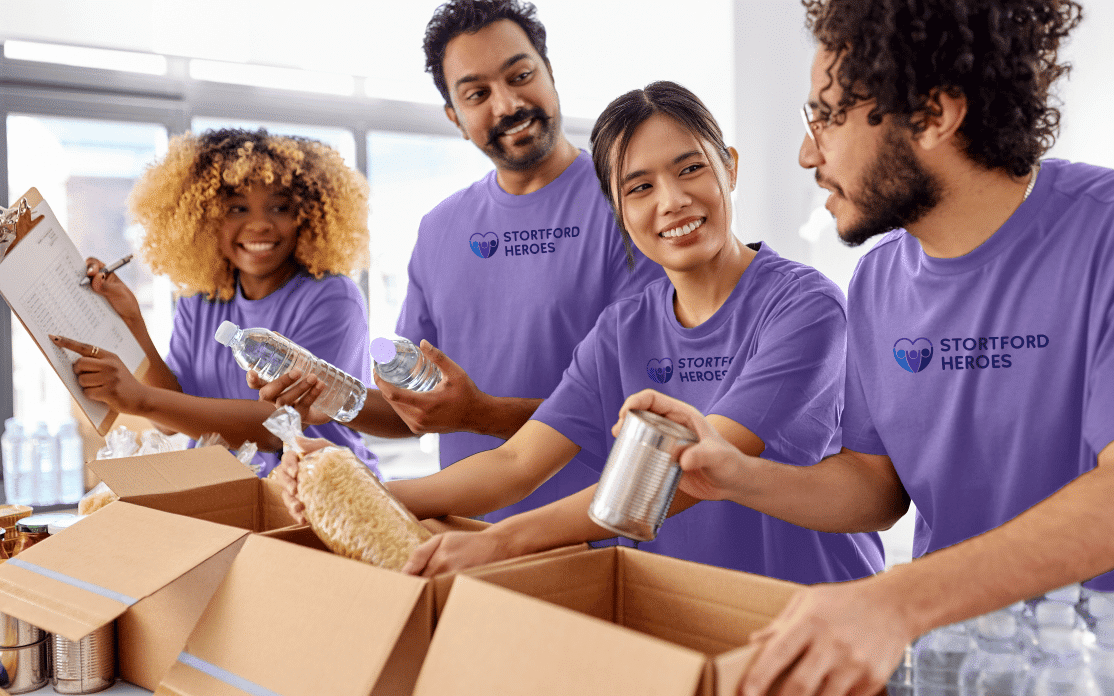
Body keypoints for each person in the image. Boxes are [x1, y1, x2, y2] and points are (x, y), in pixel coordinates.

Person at [616, 1, 1114, 696]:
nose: (806, 153)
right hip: (956, 672)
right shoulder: (879, 281)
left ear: (934, 114)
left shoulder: (1101, 234)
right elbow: (875, 486)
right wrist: (739, 475)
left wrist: (893, 600)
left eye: (828, 118)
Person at [278, 81, 884, 587]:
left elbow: (685, 474)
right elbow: (517, 461)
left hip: (804, 610)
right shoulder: (625, 328)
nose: (672, 201)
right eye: (639, 187)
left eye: (691, 168)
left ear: (728, 166)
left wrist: (509, 540)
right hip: (672, 607)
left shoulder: (804, 307)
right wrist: (348, 486)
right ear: (618, 208)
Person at [257, 0, 663, 521]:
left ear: (550, 73)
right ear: (455, 115)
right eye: (477, 94)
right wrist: (331, 400)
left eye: (521, 75)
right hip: (464, 533)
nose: (508, 104)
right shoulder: (440, 229)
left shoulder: (628, 206)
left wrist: (481, 414)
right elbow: (413, 412)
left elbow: (646, 414)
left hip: (597, 533)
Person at [51, 128, 379, 476]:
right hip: (224, 494)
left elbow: (275, 428)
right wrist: (132, 322)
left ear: (308, 215)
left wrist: (139, 399)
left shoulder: (332, 298)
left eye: (280, 207)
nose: (259, 225)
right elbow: (169, 419)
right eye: (237, 208)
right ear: (205, 217)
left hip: (320, 491)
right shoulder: (201, 299)